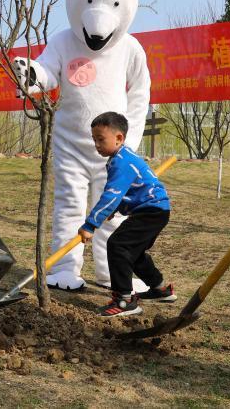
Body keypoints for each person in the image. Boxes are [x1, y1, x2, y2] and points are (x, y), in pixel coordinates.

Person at [78, 112, 174, 318]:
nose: (96, 144)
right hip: (156, 210)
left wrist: (90, 225)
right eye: (94, 139)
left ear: (119, 137)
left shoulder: (121, 162)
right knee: (133, 251)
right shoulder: (123, 157)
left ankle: (124, 300)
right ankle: (159, 288)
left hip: (150, 211)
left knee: (118, 245)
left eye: (100, 139)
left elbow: (111, 194)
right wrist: (117, 209)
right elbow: (127, 192)